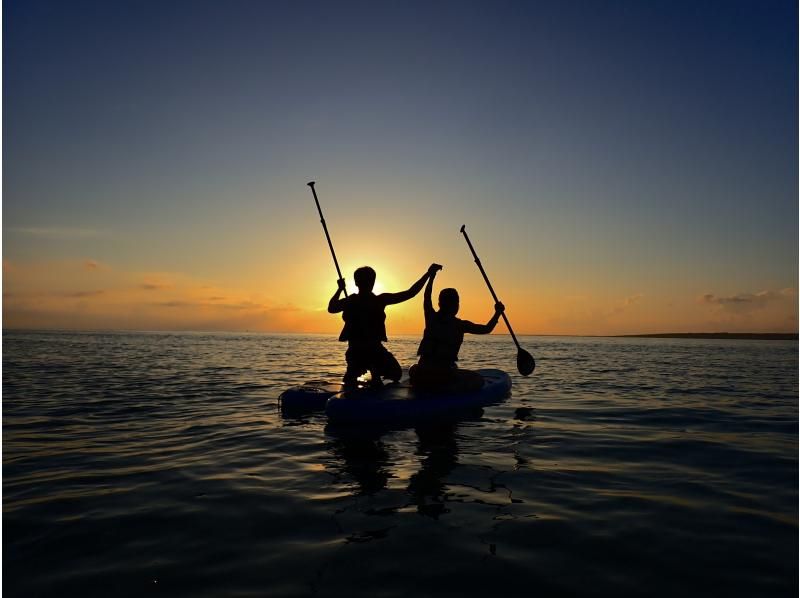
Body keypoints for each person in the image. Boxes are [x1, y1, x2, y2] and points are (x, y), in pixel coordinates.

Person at [328, 264, 441, 387]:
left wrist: (340, 289)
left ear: (356, 283)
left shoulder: (358, 301)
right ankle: (368, 372)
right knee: (390, 373)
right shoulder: (372, 300)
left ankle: (369, 371)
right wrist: (428, 274)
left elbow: (410, 293)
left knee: (396, 373)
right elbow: (410, 293)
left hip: (371, 351)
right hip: (360, 351)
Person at [409, 266, 504, 393]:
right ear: (456, 305)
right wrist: (497, 313)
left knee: (413, 369)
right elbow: (486, 329)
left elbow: (427, 297)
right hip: (442, 376)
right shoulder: (460, 325)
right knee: (478, 379)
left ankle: (433, 384)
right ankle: (446, 388)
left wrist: (432, 276)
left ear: (439, 304)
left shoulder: (431, 317)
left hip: (422, 374)